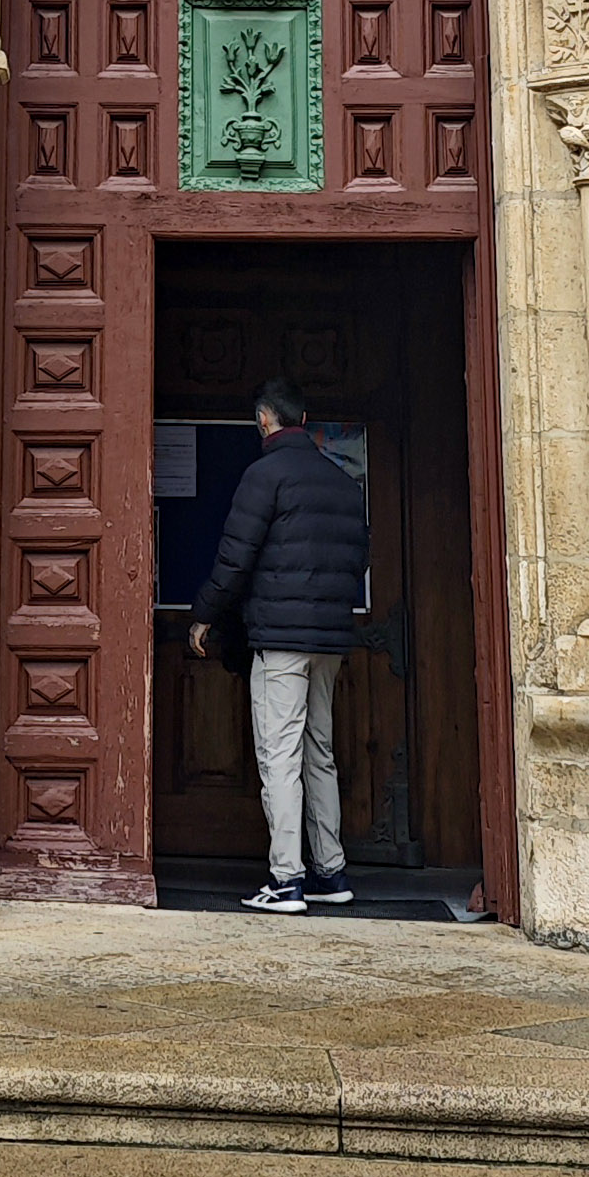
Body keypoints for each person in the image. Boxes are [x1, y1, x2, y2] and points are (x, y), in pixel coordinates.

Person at [187, 378, 370, 915]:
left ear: (264, 421)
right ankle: (330, 872)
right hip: (329, 640)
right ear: (304, 418)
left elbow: (235, 557)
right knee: (320, 753)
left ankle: (286, 879)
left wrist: (204, 615)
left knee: (279, 755)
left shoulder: (262, 476)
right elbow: (358, 560)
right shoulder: (343, 484)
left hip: (282, 641)